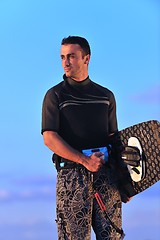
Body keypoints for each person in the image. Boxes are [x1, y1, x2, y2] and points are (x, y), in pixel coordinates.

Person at [41, 36, 131, 240]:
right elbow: (49, 138)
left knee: (112, 237)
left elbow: (113, 141)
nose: (65, 62)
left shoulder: (105, 96)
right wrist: (84, 160)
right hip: (72, 178)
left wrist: (125, 182)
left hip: (106, 177)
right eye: (62, 57)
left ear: (86, 58)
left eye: (71, 56)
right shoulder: (55, 95)